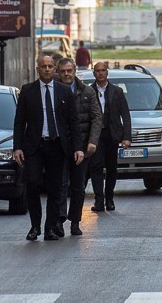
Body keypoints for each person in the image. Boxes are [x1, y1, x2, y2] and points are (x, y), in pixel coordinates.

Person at [13, 55, 84, 241]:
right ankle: (35, 226)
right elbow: (19, 121)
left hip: (57, 145)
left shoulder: (64, 91)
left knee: (55, 188)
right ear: (38, 68)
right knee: (34, 184)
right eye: (43, 66)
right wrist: (17, 147)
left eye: (50, 66)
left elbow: (73, 122)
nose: (47, 69)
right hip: (34, 146)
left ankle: (50, 227)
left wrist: (78, 148)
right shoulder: (28, 91)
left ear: (55, 69)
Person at [56, 57, 101, 236]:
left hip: (81, 148)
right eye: (63, 71)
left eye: (70, 71)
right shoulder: (54, 91)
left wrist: (92, 141)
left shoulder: (87, 92)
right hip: (59, 147)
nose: (67, 74)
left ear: (75, 72)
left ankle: (75, 221)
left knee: (78, 187)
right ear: (58, 73)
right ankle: (59, 220)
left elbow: (97, 118)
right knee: (60, 185)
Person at [89, 61, 132, 212]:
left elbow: (125, 115)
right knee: (96, 167)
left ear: (107, 72)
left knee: (112, 168)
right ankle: (99, 201)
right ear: (94, 73)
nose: (100, 73)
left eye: (103, 70)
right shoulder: (89, 91)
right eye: (97, 71)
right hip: (96, 136)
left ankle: (110, 199)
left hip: (112, 134)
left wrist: (127, 137)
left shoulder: (117, 91)